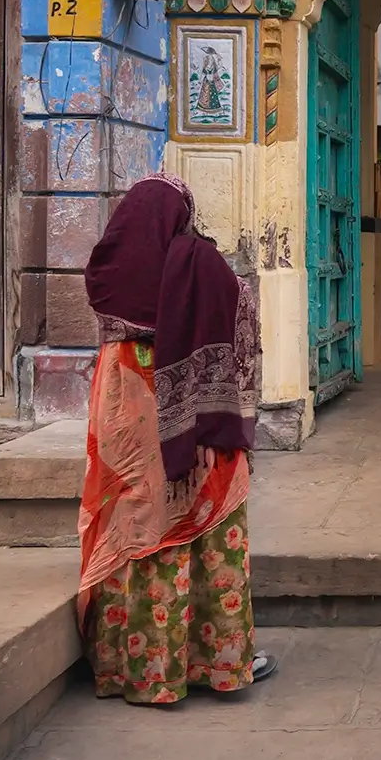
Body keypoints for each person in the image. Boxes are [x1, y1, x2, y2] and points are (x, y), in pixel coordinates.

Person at [76, 173, 276, 704]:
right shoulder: (199, 265)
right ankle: (217, 660)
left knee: (136, 528)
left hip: (127, 430)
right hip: (201, 435)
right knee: (204, 530)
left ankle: (134, 667)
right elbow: (240, 326)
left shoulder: (108, 274)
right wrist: (211, 422)